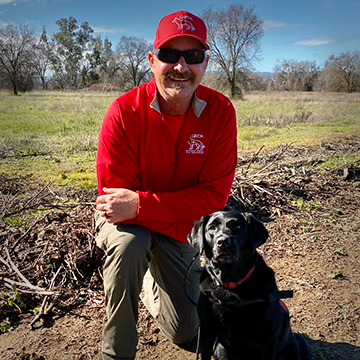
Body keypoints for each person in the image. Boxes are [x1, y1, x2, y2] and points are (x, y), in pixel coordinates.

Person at [95, 9, 238, 360]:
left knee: (185, 332)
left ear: (205, 63)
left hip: (178, 232)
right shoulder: (123, 112)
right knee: (131, 245)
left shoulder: (221, 113)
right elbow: (117, 206)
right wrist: (165, 209)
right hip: (130, 227)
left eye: (193, 56)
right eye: (170, 55)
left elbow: (214, 198)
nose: (181, 66)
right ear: (152, 60)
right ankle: (116, 353)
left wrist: (142, 205)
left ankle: (148, 279)